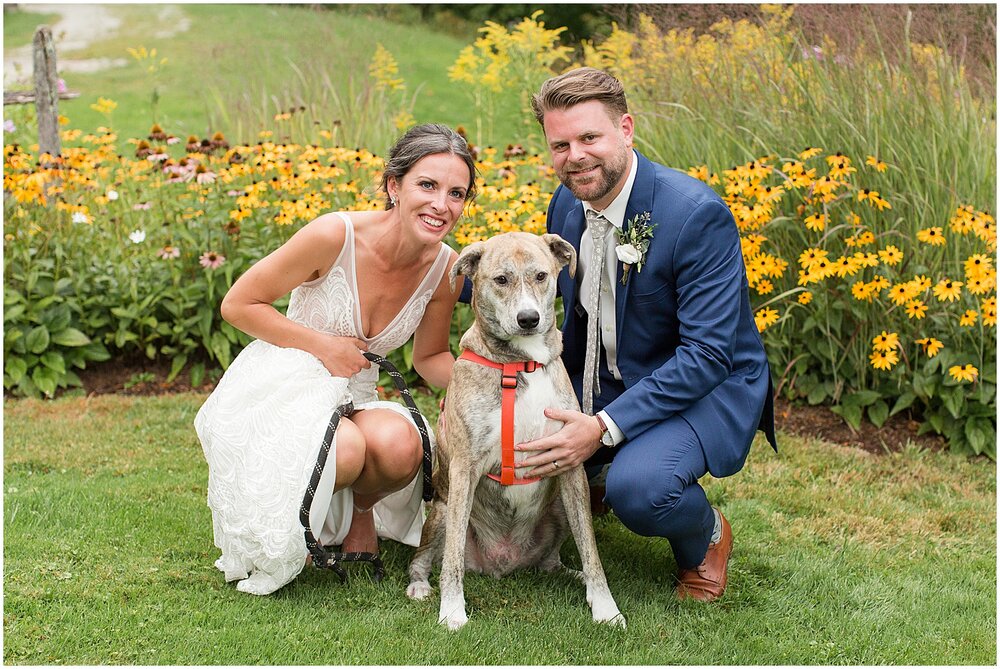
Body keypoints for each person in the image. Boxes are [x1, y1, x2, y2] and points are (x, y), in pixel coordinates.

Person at [516, 68, 777, 602]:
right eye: (560, 144)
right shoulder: (566, 205)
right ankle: (593, 477)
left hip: (706, 384)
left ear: (627, 130)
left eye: (590, 138)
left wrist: (603, 427)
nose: (575, 157)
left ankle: (703, 538)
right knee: (519, 441)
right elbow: (573, 314)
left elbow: (707, 354)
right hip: (609, 372)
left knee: (640, 490)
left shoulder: (695, 216)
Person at [194, 123, 475, 595]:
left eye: (456, 193)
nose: (441, 205)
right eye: (427, 185)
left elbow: (430, 357)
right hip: (289, 380)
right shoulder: (334, 234)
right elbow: (238, 305)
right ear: (393, 186)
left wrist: (492, 387)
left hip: (358, 392)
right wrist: (324, 345)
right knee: (344, 448)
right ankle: (305, 525)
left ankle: (360, 515)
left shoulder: (445, 266)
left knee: (401, 446)